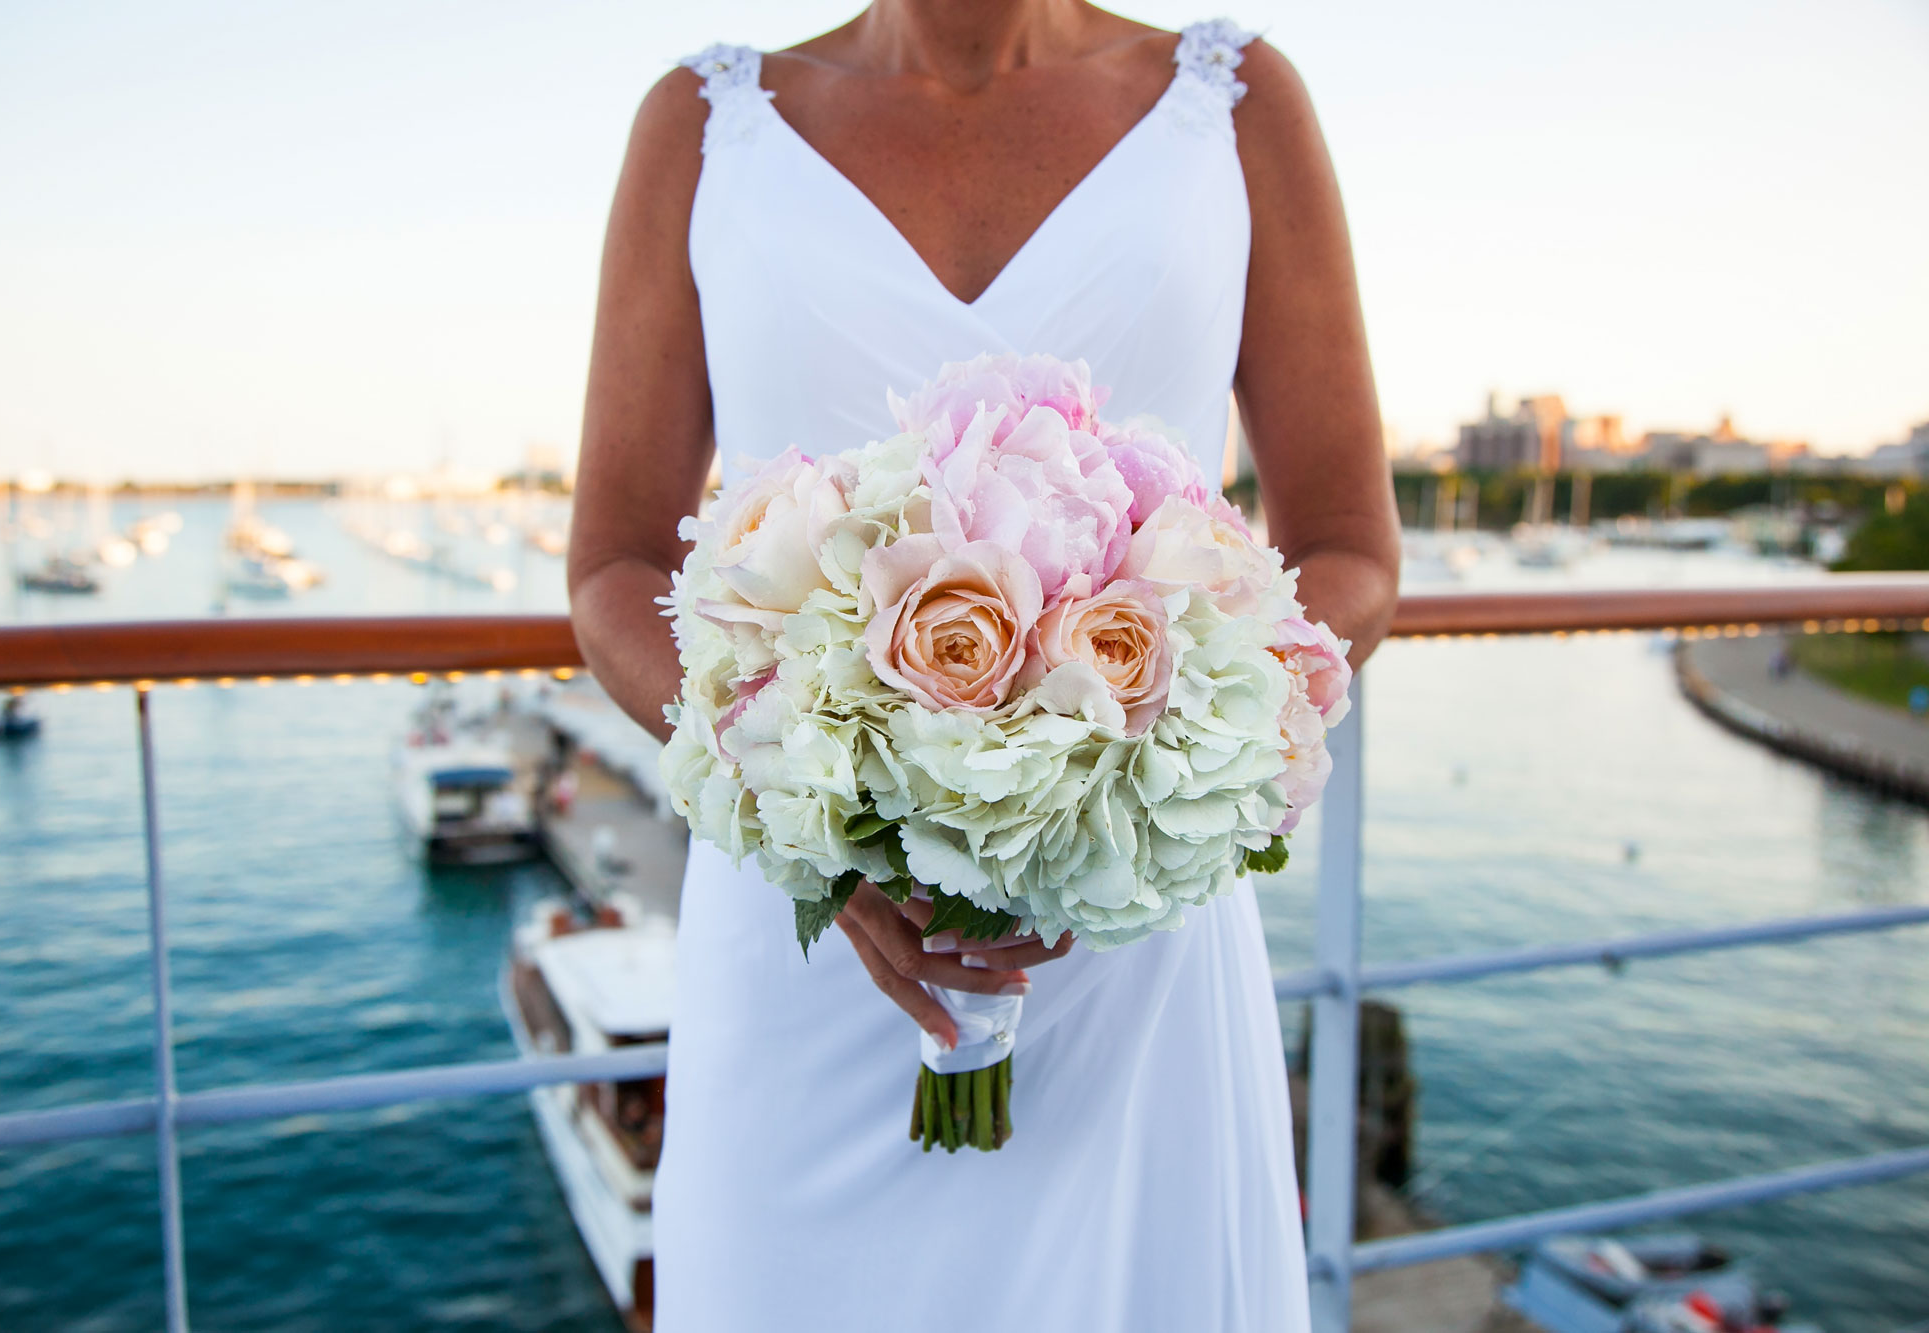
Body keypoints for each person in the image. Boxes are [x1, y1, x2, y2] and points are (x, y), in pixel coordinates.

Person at [566, 5, 1401, 1329]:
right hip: (805, 959)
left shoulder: (1234, 108)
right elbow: (613, 565)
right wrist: (820, 826)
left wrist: (1127, 781)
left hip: (1130, 951)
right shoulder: (706, 130)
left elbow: (1349, 548)